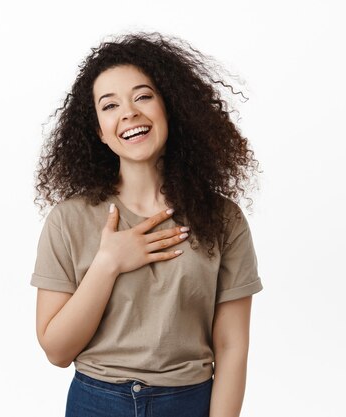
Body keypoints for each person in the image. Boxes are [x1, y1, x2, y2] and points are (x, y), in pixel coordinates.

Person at [31, 32, 263, 417]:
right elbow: (57, 350)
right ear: (99, 132)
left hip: (189, 402)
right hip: (96, 403)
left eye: (143, 96)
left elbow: (232, 346)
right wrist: (108, 263)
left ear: (169, 107)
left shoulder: (223, 219)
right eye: (109, 105)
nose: (129, 113)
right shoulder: (68, 220)